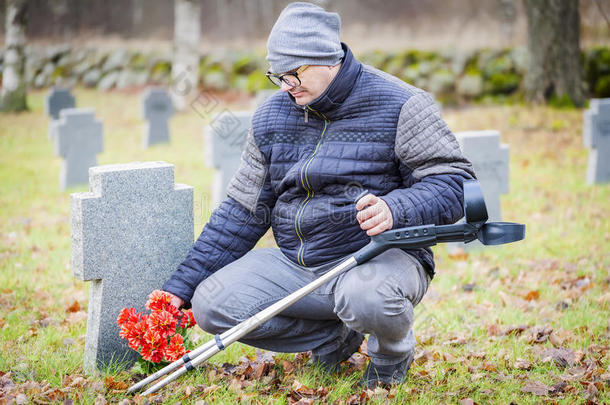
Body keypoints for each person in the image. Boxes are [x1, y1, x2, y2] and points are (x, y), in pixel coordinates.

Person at [162, 1, 475, 387]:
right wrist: (182, 286)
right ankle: (336, 337)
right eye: (277, 76)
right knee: (212, 305)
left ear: (327, 59)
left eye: (294, 73)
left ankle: (391, 357)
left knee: (365, 296)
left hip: (376, 257)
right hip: (298, 263)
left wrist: (396, 207)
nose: (286, 85)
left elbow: (455, 181)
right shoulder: (271, 116)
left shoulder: (402, 104)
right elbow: (241, 211)